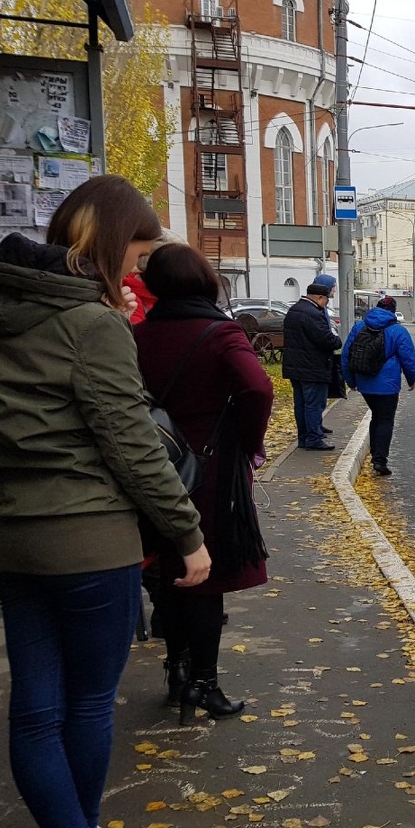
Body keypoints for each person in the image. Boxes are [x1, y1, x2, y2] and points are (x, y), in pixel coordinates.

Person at [0, 175, 211, 828]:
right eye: (138, 253)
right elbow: (134, 447)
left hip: (15, 542)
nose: (140, 270)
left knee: (33, 711)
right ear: (112, 242)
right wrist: (188, 535)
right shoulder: (92, 326)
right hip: (90, 542)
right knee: (84, 705)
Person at [134, 244, 273, 723]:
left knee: (168, 568)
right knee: (204, 575)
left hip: (152, 462)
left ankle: (175, 671)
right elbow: (257, 387)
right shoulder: (221, 333)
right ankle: (205, 684)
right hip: (209, 469)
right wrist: (246, 441)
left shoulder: (136, 335)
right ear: (207, 282)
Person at [341, 295, 415, 475]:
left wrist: (350, 381)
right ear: (392, 311)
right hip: (388, 385)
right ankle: (379, 461)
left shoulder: (360, 326)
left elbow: (346, 355)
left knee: (376, 416)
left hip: (364, 382)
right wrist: (411, 379)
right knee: (385, 419)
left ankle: (375, 455)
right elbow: (408, 358)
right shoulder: (398, 331)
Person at [281, 274, 341, 450]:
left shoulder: (294, 311)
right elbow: (327, 340)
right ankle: (314, 439)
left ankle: (304, 438)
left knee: (300, 404)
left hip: (295, 367)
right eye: (326, 300)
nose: (327, 304)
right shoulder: (312, 314)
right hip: (312, 367)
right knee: (314, 404)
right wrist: (337, 340)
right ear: (320, 298)